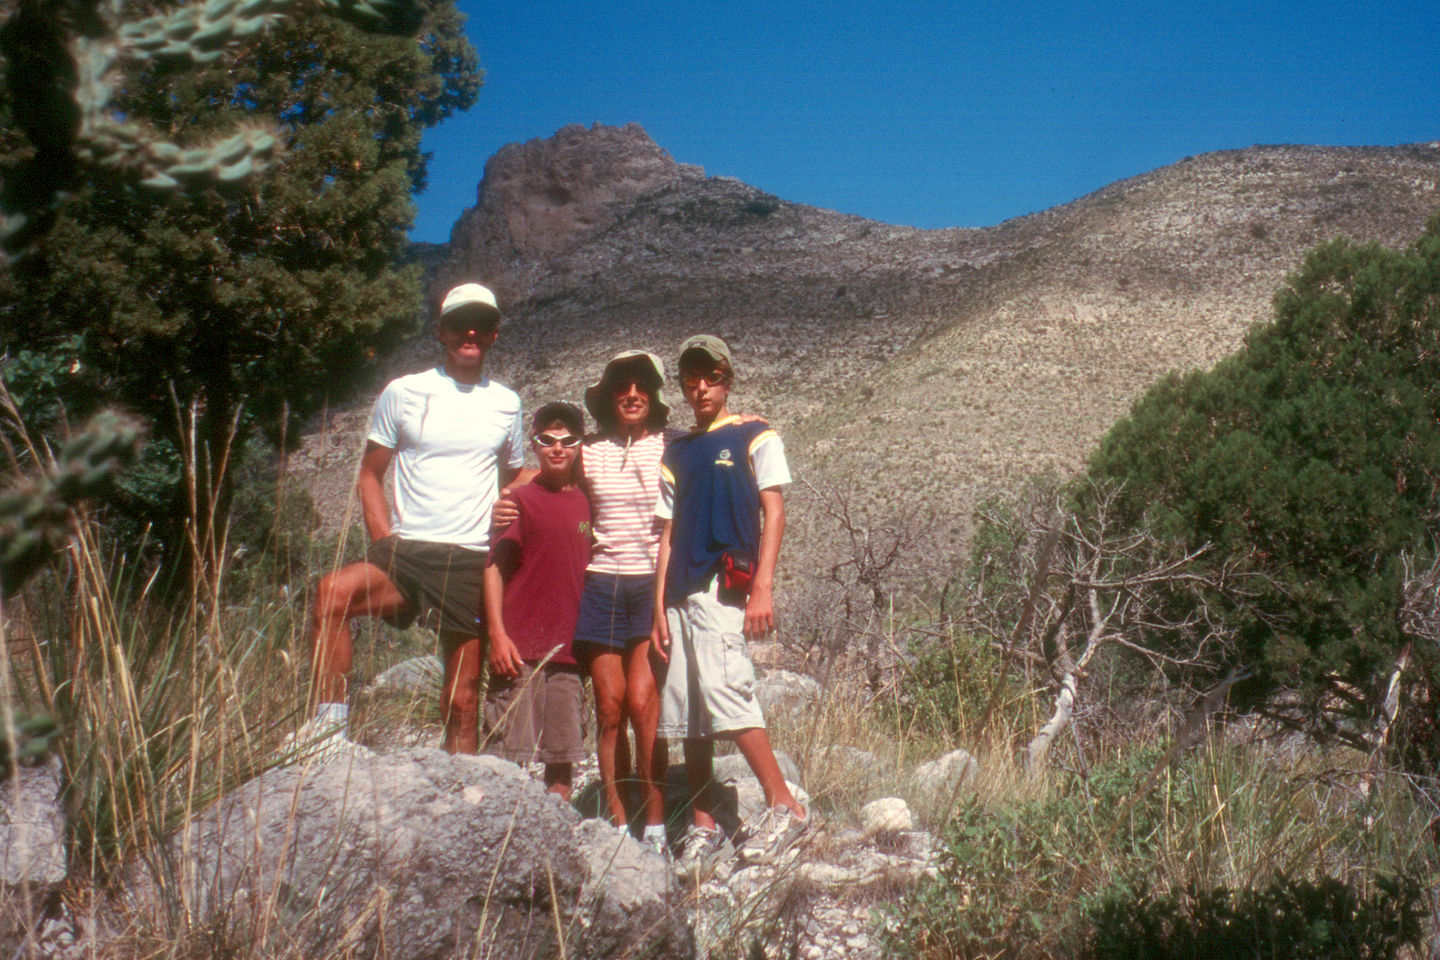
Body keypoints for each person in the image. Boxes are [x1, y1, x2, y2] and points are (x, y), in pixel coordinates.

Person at [302, 282, 524, 757]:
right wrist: (384, 539)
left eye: (482, 324)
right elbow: (369, 473)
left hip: (469, 559)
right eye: (460, 322)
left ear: (494, 335)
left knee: (462, 701)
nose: (471, 331)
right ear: (441, 331)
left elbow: (518, 474)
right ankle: (327, 737)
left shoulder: (506, 403)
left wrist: (509, 506)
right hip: (407, 550)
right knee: (330, 596)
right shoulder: (404, 392)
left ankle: (460, 796)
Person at [651, 334, 807, 869]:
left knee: (726, 690)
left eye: (712, 376)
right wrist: (658, 606)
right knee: (688, 709)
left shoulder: (754, 435)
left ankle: (785, 807)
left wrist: (763, 584)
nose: (701, 387)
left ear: (728, 380)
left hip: (724, 584)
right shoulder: (676, 450)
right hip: (678, 591)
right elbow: (666, 533)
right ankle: (703, 823)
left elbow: (774, 508)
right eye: (691, 377)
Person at [571, 351, 677, 849]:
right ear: (610, 397)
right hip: (600, 584)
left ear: (653, 395)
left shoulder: (671, 445)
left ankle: (654, 819)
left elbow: (718, 445)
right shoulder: (589, 451)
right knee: (609, 707)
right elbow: (542, 474)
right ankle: (617, 818)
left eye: (641, 386)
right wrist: (506, 497)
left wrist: (745, 422)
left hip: (650, 586)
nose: (632, 394)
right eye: (622, 386)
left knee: (642, 701)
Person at [481, 403, 591, 798]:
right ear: (534, 444)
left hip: (569, 653)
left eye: (567, 440)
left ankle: (554, 837)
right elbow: (493, 567)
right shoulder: (519, 501)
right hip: (519, 650)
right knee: (504, 756)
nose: (557, 448)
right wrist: (497, 635)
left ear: (581, 445)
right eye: (547, 440)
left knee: (561, 758)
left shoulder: (589, 502)